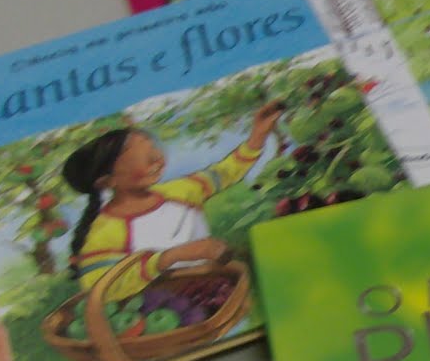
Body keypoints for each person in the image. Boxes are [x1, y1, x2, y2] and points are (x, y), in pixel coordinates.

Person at [62, 102, 283, 302]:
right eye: (144, 159)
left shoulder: (179, 191)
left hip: (215, 294)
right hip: (165, 312)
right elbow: (99, 286)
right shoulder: (105, 230)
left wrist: (257, 136)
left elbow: (225, 172)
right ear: (107, 181)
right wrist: (170, 257)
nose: (158, 160)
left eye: (154, 149)